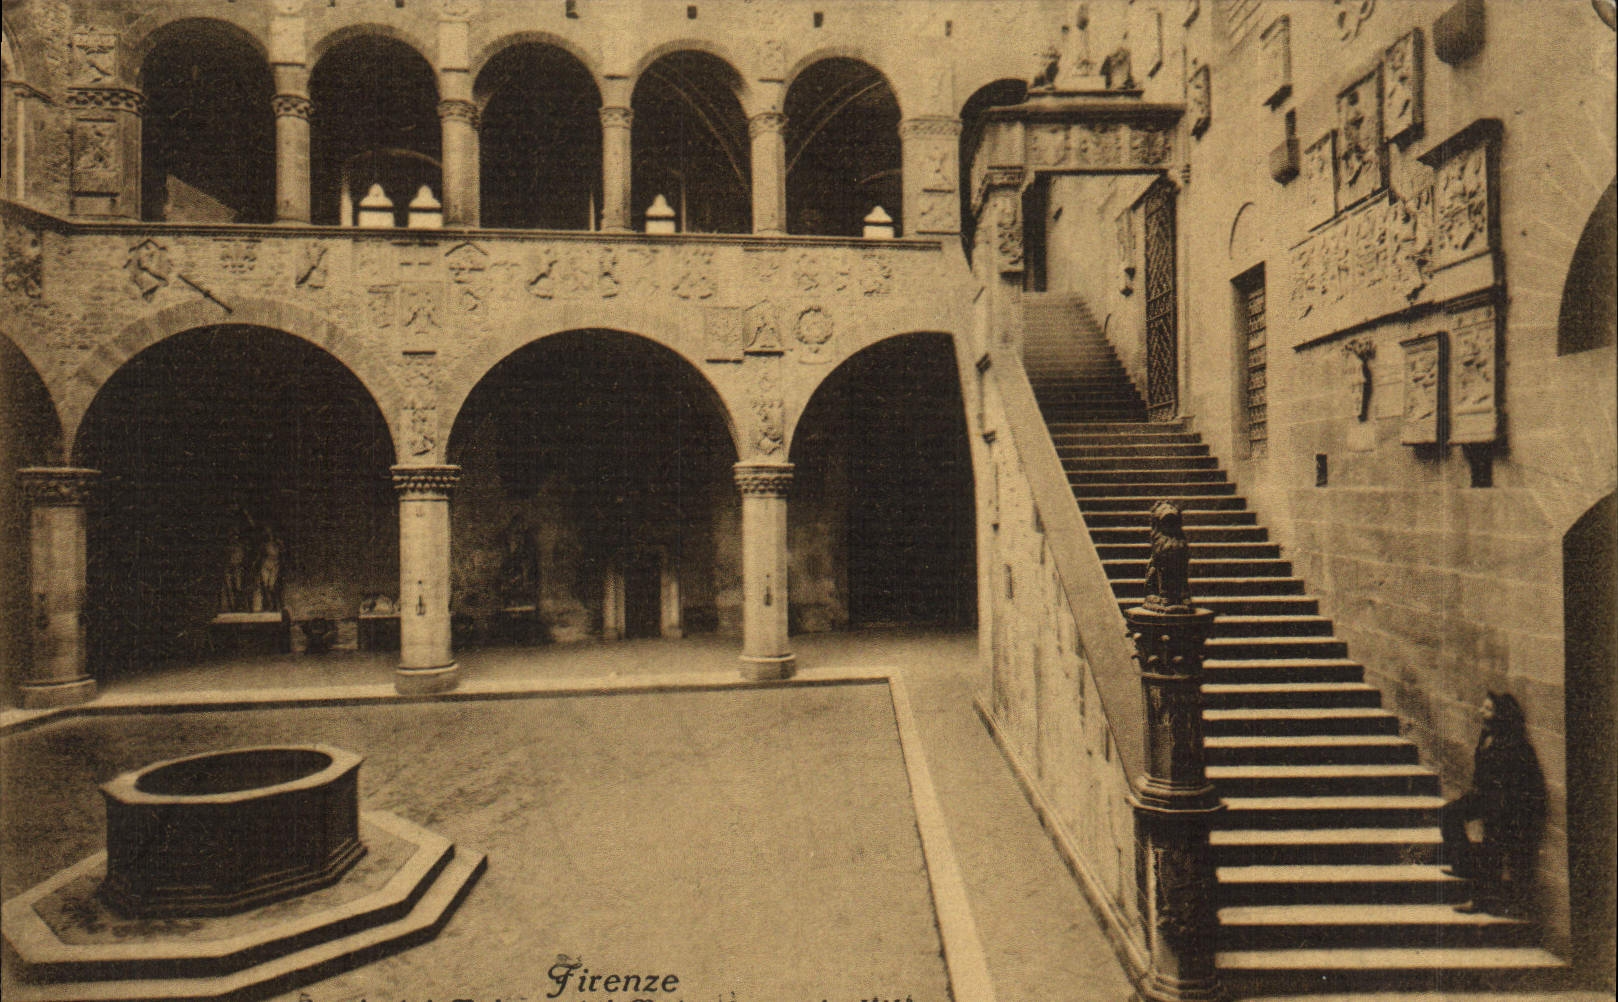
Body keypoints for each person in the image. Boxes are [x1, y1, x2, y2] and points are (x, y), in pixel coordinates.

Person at [1439, 691, 1546, 915]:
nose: (1482, 711)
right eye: (1484, 707)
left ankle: (1481, 901)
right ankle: (1463, 865)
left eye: (1488, 709)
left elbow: (1521, 783)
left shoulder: (1515, 745)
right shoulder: (1486, 736)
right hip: (1485, 795)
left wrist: (1503, 810)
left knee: (1491, 847)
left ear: (1501, 715)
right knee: (1449, 813)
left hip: (1506, 805)